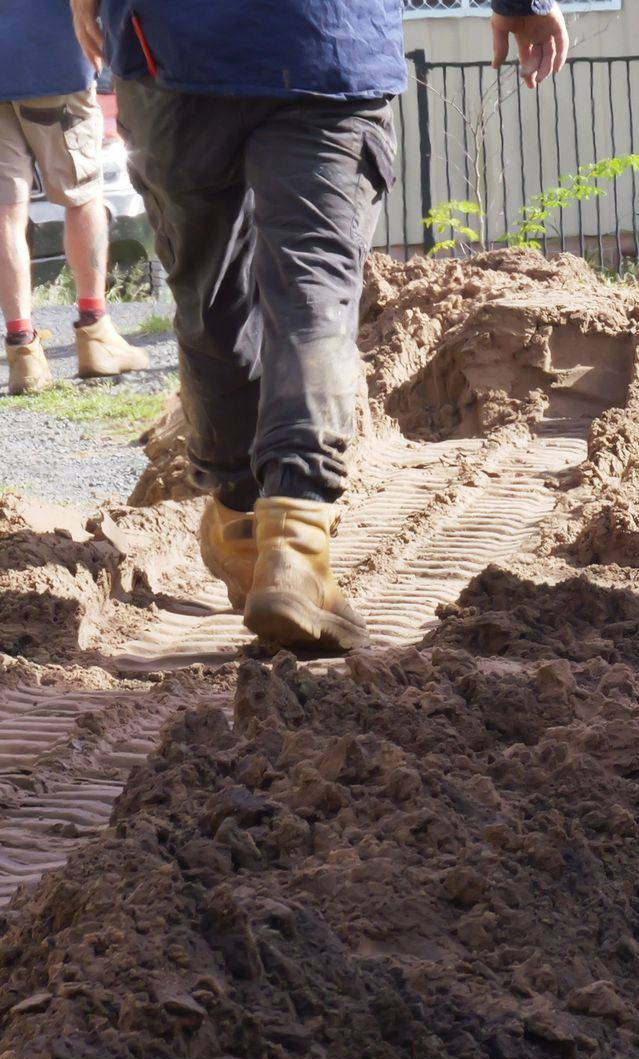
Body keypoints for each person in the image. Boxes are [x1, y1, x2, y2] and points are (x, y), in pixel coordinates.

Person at [67, 0, 570, 651]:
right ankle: (295, 546)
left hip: (174, 44)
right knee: (313, 295)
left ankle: (242, 520)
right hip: (325, 43)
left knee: (209, 293)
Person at [1, 0, 149, 396]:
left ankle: (23, 354)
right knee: (82, 197)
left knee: (5, 214)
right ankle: (95, 333)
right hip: (52, 59)